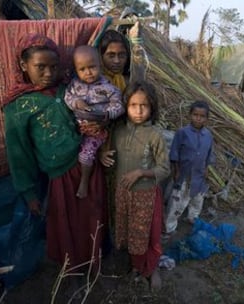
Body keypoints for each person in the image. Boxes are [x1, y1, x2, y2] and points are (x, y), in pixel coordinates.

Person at [3, 33, 107, 295]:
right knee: (66, 225)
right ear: (24, 66)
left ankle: (95, 267)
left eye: (53, 66)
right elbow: (19, 153)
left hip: (87, 165)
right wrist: (28, 192)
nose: (48, 73)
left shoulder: (68, 88)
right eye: (41, 67)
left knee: (92, 216)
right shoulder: (17, 107)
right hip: (59, 175)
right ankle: (71, 274)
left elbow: (94, 113)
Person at [100, 80, 170, 290]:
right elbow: (109, 163)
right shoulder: (117, 132)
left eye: (144, 105)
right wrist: (103, 157)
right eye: (133, 105)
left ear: (152, 107)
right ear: (125, 106)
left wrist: (142, 172)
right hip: (123, 193)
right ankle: (136, 266)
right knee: (130, 232)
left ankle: (152, 267)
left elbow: (164, 169)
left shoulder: (155, 135)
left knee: (149, 234)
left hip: (146, 195)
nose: (138, 111)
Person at [65, 45, 124, 198]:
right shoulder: (74, 84)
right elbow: (67, 97)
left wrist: (107, 114)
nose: (88, 72)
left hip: (96, 130)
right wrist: (76, 102)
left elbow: (119, 105)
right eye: (82, 69)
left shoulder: (108, 87)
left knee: (86, 153)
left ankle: (84, 182)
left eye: (92, 67)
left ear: (100, 65)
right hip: (76, 127)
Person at [164, 100, 215, 236]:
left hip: (199, 174)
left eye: (202, 116)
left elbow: (209, 153)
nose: (198, 118)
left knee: (197, 198)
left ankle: (193, 217)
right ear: (190, 115)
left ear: (206, 118)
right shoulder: (182, 133)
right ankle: (169, 226)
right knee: (177, 201)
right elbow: (174, 152)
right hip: (184, 173)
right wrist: (176, 169)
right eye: (195, 114)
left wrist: (206, 169)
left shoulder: (208, 136)